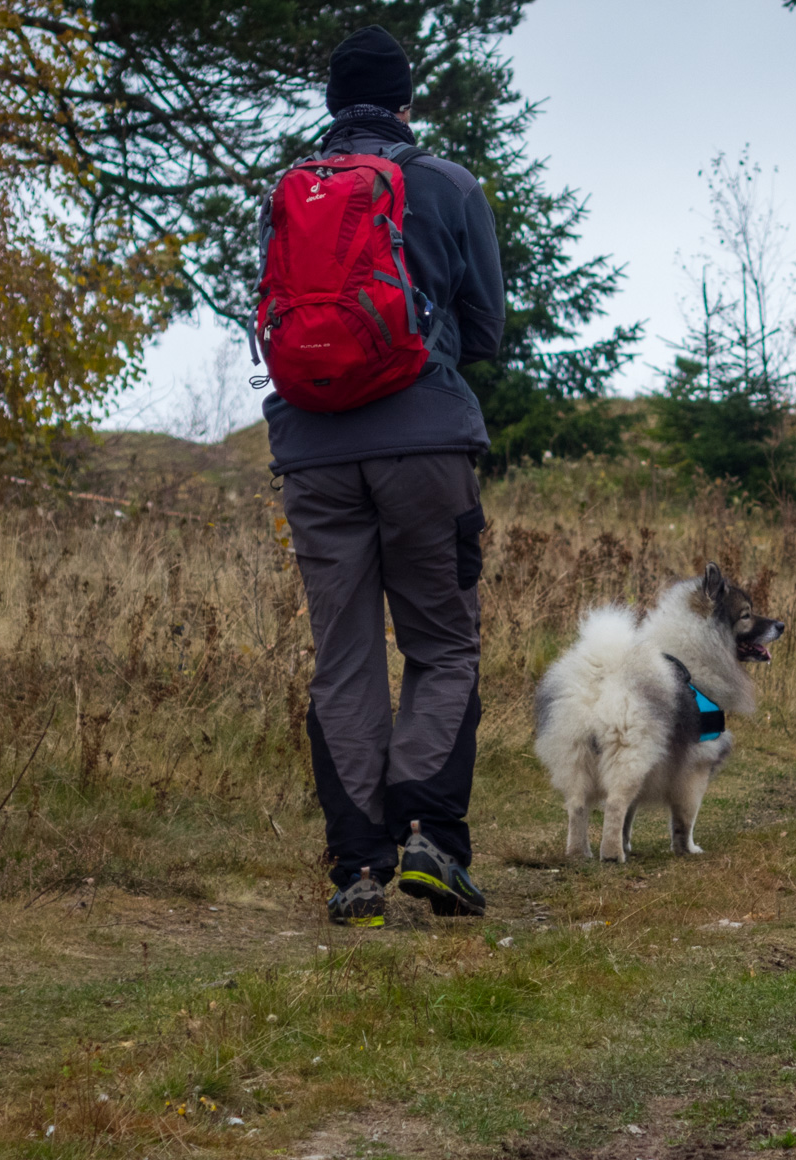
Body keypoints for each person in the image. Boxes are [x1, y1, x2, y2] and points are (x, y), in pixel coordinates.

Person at [260, 25, 505, 928]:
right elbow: (484, 333)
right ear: (407, 103)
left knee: (348, 656)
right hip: (424, 446)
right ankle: (431, 840)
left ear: (332, 107)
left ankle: (358, 866)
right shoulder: (446, 185)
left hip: (312, 454)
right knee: (442, 642)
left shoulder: (289, 192)